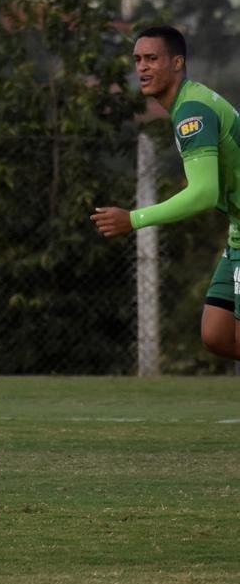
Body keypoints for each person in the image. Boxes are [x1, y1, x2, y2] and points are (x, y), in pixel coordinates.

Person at [92, 26, 240, 357]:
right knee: (217, 333)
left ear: (177, 63)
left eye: (152, 58)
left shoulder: (192, 111)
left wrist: (133, 219)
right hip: (238, 230)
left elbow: (202, 193)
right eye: (138, 60)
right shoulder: (190, 101)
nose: (142, 67)